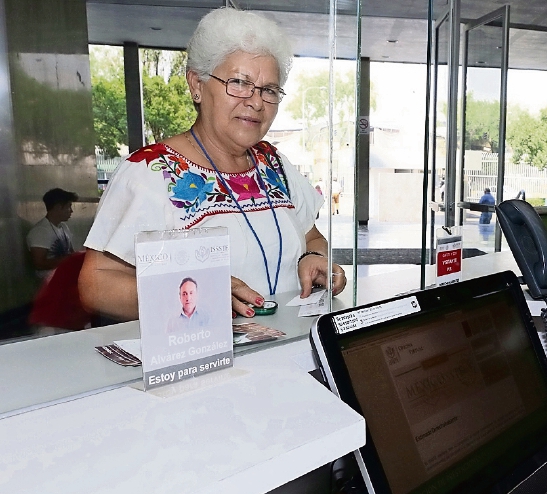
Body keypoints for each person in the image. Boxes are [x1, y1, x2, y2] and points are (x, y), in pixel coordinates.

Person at [79, 7, 346, 321]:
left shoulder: (275, 165)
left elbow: (312, 237)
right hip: (202, 359)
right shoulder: (149, 172)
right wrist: (198, 292)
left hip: (288, 351)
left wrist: (315, 257)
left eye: (269, 90)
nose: (256, 102)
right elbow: (96, 285)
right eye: (239, 83)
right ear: (197, 84)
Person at [28, 188, 78, 278]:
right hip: (49, 282)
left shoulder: (63, 227)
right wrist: (68, 260)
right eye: (69, 206)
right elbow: (39, 263)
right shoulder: (41, 231)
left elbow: (71, 252)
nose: (71, 211)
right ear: (58, 207)